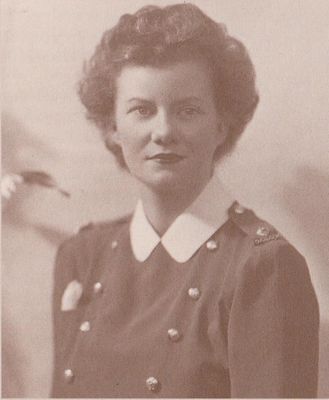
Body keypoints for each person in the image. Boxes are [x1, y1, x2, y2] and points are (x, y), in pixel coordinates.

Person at [51, 3, 319, 398]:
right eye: (142, 110)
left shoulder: (263, 267)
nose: (163, 131)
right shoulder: (82, 255)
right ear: (112, 128)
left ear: (221, 123)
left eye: (187, 110)